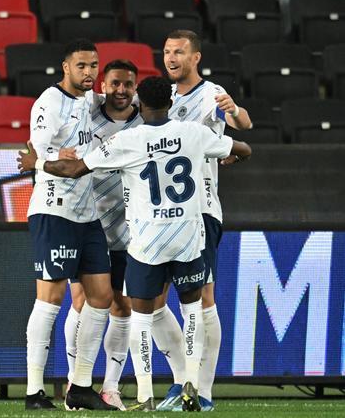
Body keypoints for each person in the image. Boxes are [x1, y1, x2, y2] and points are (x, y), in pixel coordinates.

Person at [18, 76, 252, 412]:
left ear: (140, 105)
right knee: (192, 311)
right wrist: (226, 158)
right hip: (187, 238)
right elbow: (244, 148)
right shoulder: (194, 133)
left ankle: (144, 395)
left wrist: (37, 163)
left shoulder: (128, 140)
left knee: (140, 317)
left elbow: (76, 169)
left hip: (147, 244)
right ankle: (192, 384)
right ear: (170, 103)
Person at [157, 29, 254, 412]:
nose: (171, 58)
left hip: (200, 211)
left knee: (203, 298)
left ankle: (204, 390)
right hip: (158, 214)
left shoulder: (211, 93)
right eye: (167, 51)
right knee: (151, 300)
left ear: (195, 57)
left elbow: (243, 124)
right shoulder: (160, 97)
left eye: (179, 52)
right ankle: (182, 380)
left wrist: (234, 110)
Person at [23, 38, 116, 412]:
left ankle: (80, 385)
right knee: (50, 298)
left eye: (94, 65)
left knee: (102, 296)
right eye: (81, 65)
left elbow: (120, 101)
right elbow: (36, 153)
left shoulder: (90, 100)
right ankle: (34, 391)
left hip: (87, 213)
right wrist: (49, 159)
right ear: (65, 67)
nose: (89, 72)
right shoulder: (49, 102)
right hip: (54, 210)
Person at [60, 59, 148, 411]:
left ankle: (111, 387)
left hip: (128, 229)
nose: (121, 90)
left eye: (128, 84)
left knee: (122, 306)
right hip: (87, 222)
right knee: (81, 301)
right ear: (103, 85)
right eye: (115, 84)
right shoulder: (87, 111)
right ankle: (75, 381)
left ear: (135, 87)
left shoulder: (146, 120)